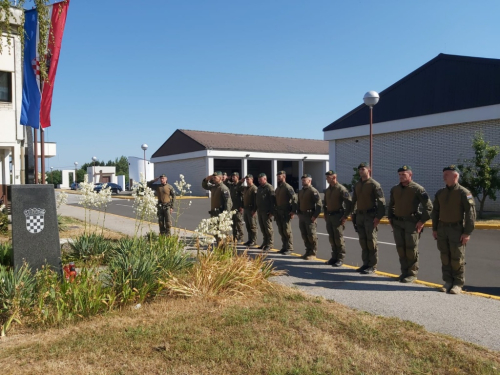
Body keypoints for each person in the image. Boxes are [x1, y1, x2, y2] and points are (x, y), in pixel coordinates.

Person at [431, 165, 476, 294]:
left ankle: (457, 283)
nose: (444, 176)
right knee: (445, 256)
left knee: (457, 257)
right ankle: (447, 281)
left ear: (455, 176)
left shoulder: (464, 193)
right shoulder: (440, 193)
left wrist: (467, 232)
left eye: (447, 174)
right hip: (442, 228)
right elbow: (435, 212)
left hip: (456, 229)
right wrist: (435, 228)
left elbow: (470, 214)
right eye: (444, 174)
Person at [388, 165, 432, 283]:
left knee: (411, 249)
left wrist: (421, 221)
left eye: (404, 174)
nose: (401, 177)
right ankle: (404, 272)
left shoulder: (418, 189)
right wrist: (391, 219)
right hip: (397, 223)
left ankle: (412, 273)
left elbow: (429, 207)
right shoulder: (395, 189)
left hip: (411, 223)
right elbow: (391, 205)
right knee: (401, 248)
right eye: (400, 175)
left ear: (410, 175)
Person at [351, 163, 385, 274]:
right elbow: (354, 201)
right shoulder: (357, 184)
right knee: (363, 240)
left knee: (371, 241)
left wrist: (378, 217)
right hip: (360, 216)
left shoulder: (374, 184)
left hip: (370, 216)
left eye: (363, 169)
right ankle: (365, 263)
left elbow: (381, 202)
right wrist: (353, 214)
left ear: (369, 170)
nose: (361, 171)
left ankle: (372, 265)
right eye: (359, 169)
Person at [323, 170, 352, 267]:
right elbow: (325, 203)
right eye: (326, 177)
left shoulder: (341, 189)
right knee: (332, 238)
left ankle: (340, 258)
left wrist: (345, 216)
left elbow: (349, 203)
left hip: (338, 216)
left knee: (338, 238)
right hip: (330, 216)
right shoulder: (328, 190)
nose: (327, 179)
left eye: (329, 177)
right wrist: (325, 214)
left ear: (334, 177)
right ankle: (334, 257)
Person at [297, 174, 322, 260]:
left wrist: (315, 216)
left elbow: (319, 205)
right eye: (302, 180)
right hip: (302, 215)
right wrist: (299, 213)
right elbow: (298, 203)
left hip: (310, 215)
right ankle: (307, 251)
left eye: (305, 180)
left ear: (309, 180)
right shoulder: (301, 191)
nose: (303, 181)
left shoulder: (313, 191)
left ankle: (313, 253)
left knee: (311, 235)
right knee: (304, 234)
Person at [274, 170, 297, 255]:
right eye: (277, 177)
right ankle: (284, 247)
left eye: (279, 176)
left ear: (284, 177)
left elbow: (294, 199)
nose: (278, 178)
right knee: (281, 230)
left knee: (287, 230)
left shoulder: (288, 187)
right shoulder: (278, 188)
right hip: (279, 212)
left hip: (285, 212)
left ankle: (289, 247)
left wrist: (293, 211)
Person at [256, 173, 275, 252]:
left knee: (268, 228)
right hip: (260, 211)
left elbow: (273, 201)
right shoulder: (259, 188)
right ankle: (265, 242)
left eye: (261, 180)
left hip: (267, 211)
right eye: (259, 180)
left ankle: (270, 244)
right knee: (263, 228)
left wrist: (272, 212)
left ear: (265, 179)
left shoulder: (269, 188)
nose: (259, 181)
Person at [239, 174, 258, 246]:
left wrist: (254, 210)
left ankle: (254, 240)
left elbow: (256, 200)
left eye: (248, 179)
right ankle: (250, 240)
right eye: (246, 180)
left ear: (252, 179)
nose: (247, 181)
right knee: (248, 225)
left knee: (253, 226)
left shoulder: (254, 188)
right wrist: (240, 182)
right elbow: (237, 188)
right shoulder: (246, 188)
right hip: (246, 209)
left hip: (251, 209)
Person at [226, 172, 244, 242]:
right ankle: (235, 237)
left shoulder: (240, 186)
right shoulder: (231, 185)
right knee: (233, 224)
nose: (233, 178)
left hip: (238, 207)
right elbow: (226, 183)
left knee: (239, 223)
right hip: (232, 207)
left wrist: (241, 206)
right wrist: (227, 178)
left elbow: (243, 197)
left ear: (238, 177)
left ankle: (241, 237)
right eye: (232, 177)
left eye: (235, 177)